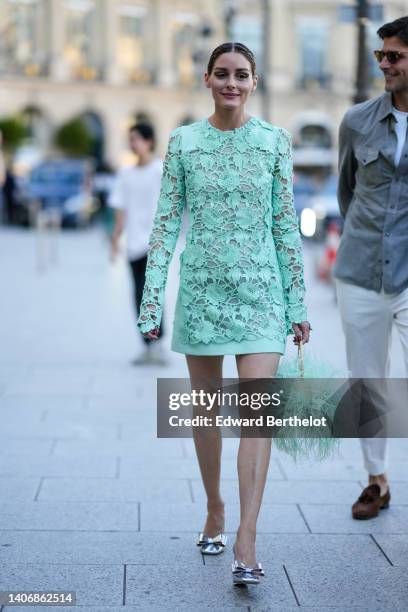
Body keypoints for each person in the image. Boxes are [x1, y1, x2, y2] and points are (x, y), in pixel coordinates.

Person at [137, 42, 310, 586]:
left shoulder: (275, 142)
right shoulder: (183, 143)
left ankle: (247, 535)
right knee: (207, 414)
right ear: (207, 80)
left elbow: (285, 225)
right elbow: (165, 226)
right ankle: (214, 507)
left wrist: (298, 304)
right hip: (203, 296)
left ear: (254, 82)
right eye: (222, 74)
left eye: (241, 75)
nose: (231, 83)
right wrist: (151, 301)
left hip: (262, 296)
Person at [333, 16, 408, 520]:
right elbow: (346, 192)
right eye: (380, 56)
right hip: (361, 271)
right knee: (368, 383)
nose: (385, 64)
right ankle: (376, 480)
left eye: (395, 56)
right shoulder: (357, 121)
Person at [110, 122, 167, 365]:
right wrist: (115, 239)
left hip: (156, 245)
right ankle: (147, 343)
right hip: (133, 243)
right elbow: (120, 208)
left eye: (137, 139)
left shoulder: (160, 170)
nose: (133, 144)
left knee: (152, 293)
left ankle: (157, 342)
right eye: (130, 139)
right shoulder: (125, 174)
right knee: (138, 295)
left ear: (149, 141)